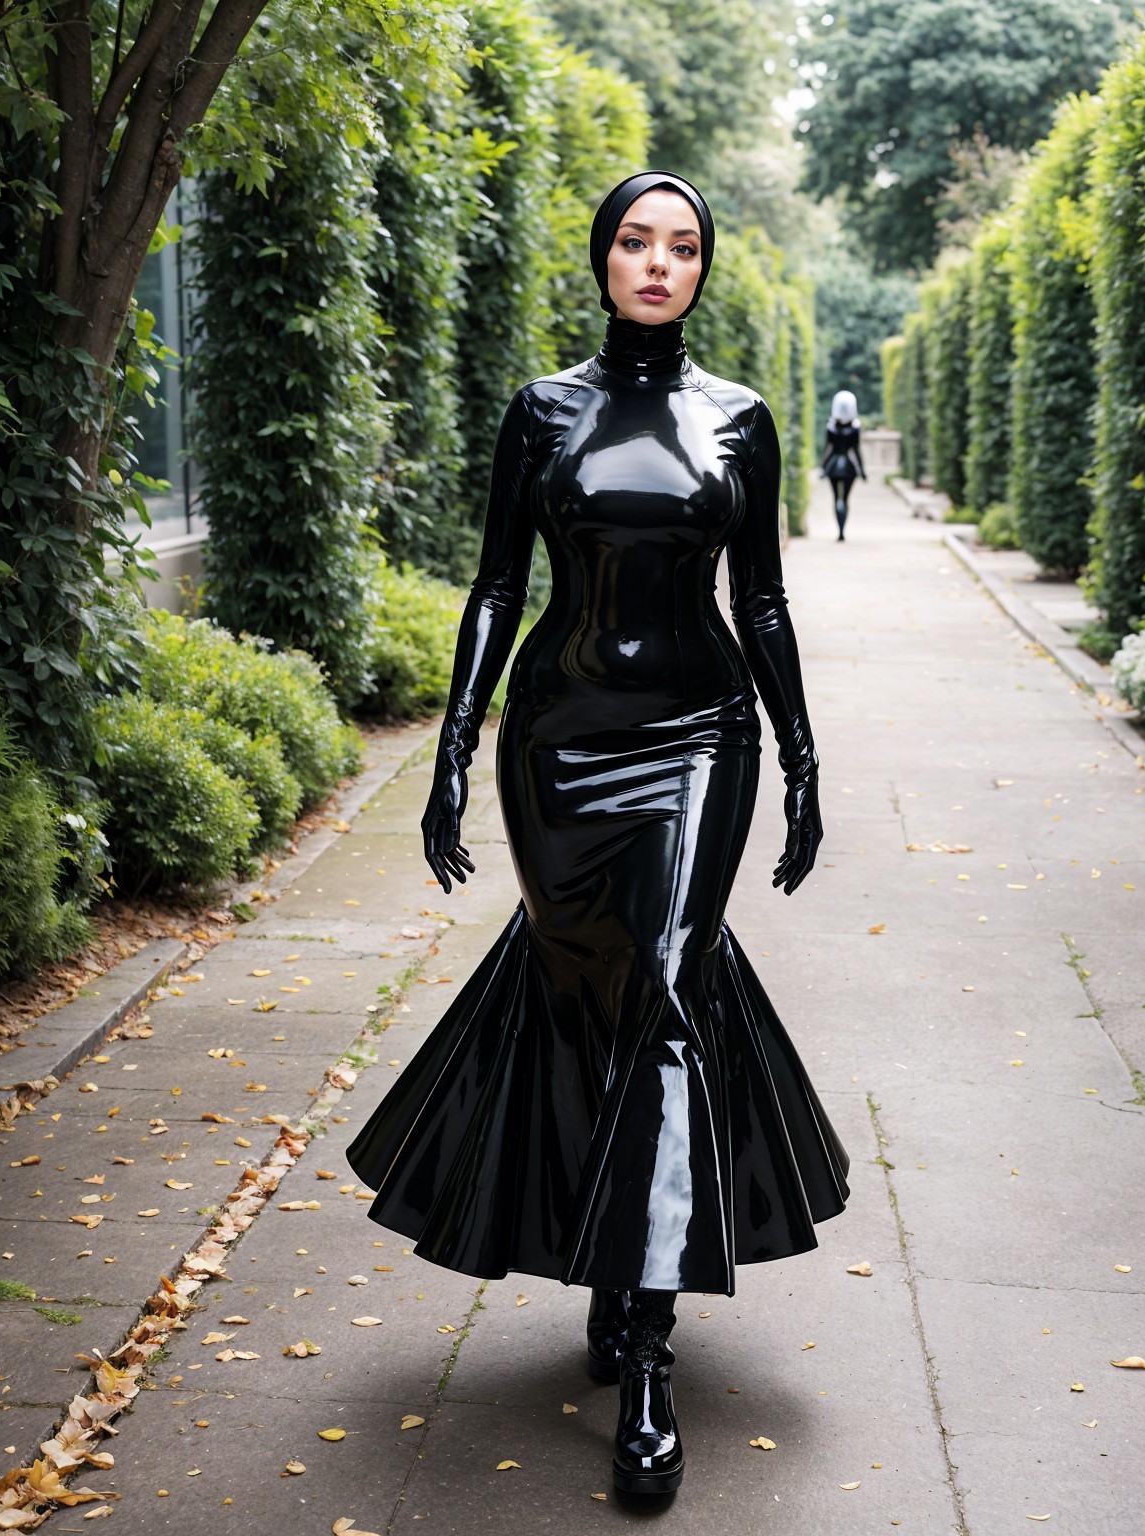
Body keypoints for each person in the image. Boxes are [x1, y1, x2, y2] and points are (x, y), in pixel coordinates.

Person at [343, 170, 850, 1500]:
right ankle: (612, 1255)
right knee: (587, 998)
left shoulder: (741, 418)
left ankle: (650, 1354)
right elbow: (498, 586)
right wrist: (451, 746)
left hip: (699, 739)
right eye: (637, 240)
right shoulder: (542, 411)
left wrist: (800, 758)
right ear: (602, 257)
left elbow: (770, 605)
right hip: (557, 739)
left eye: (682, 246)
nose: (658, 264)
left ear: (702, 269)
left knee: (671, 997)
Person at [820, 389, 866, 540]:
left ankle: (839, 531)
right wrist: (862, 470)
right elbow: (857, 450)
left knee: (835, 498)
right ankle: (842, 531)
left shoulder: (831, 426)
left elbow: (829, 449)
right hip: (849, 465)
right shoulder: (855, 427)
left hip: (833, 466)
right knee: (845, 499)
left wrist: (823, 467)